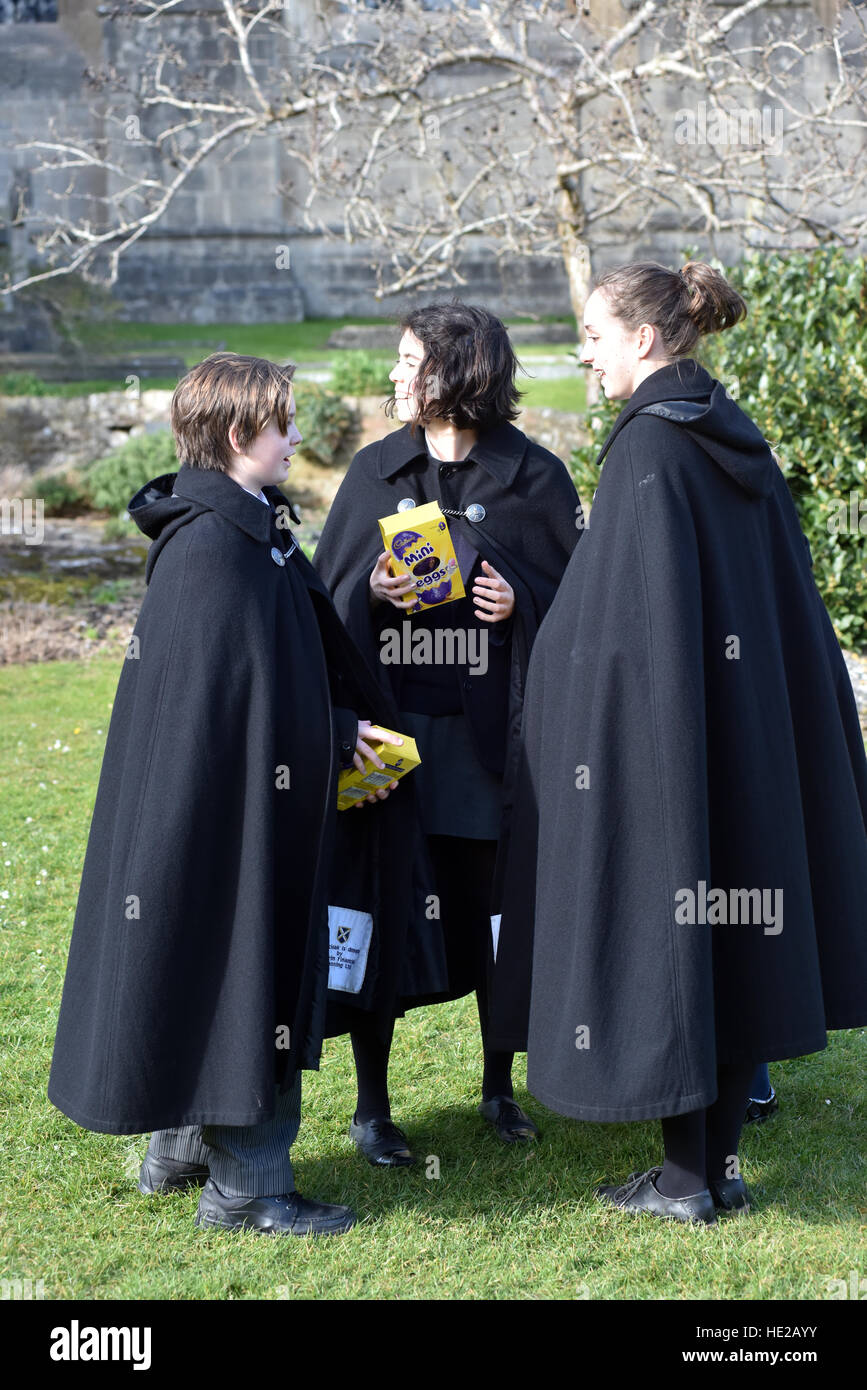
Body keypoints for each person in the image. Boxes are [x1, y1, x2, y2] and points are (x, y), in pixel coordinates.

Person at [489, 261, 867, 1224]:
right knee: (736, 941)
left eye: (593, 333)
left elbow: (614, 629)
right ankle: (713, 1169)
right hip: (745, 737)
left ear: (645, 340)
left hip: (672, 745)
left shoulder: (649, 450)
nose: (582, 351)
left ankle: (686, 1180)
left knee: (674, 941)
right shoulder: (728, 433)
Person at [48, 352, 399, 1236]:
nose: (294, 442)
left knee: (206, 950)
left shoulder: (242, 529)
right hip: (236, 815)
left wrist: (334, 723)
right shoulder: (216, 548)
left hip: (233, 807)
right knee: (247, 960)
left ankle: (183, 1145)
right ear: (241, 435)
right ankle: (249, 1186)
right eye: (283, 427)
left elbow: (267, 685)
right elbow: (230, 712)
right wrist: (328, 735)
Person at [313, 301, 583, 1164]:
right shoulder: (372, 473)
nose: (393, 376)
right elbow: (324, 601)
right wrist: (372, 595)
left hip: (487, 742)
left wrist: (522, 605)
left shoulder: (534, 479)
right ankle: (371, 1105)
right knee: (385, 901)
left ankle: (498, 1087)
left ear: (455, 374)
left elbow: (579, 607)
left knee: (490, 909)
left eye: (406, 361)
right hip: (393, 736)